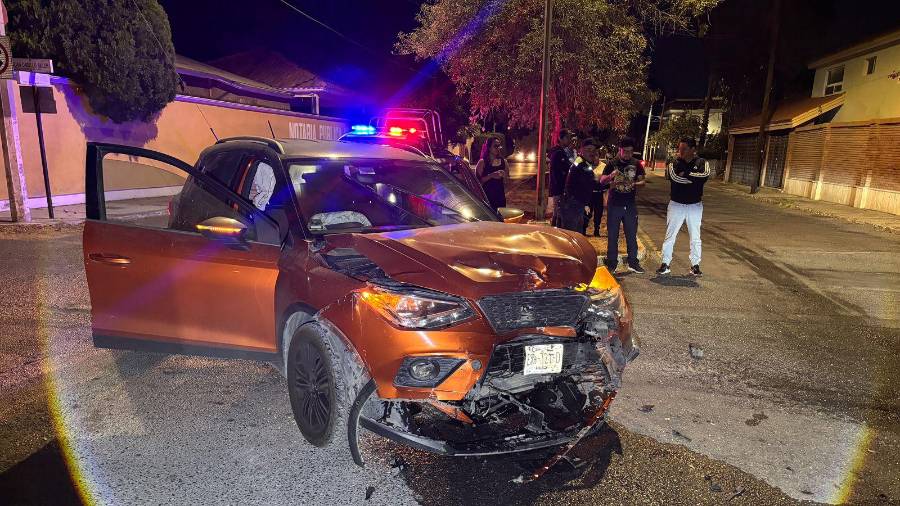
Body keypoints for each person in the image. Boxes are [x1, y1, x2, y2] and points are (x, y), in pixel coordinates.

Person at [657, 137, 710, 276]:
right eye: (679, 148)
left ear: (693, 149)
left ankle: (695, 265)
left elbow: (704, 177)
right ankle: (665, 263)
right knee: (670, 235)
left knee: (695, 236)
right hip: (676, 204)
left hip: (695, 205)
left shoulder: (702, 162)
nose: (680, 151)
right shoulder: (673, 163)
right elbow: (675, 178)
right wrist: (693, 178)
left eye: (684, 149)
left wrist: (686, 175)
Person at [599, 137, 646, 274]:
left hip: (630, 205)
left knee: (631, 234)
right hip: (614, 204)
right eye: (625, 151)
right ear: (620, 150)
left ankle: (633, 263)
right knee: (613, 235)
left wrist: (635, 184)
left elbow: (643, 182)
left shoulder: (636, 163)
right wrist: (610, 177)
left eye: (630, 152)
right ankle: (612, 263)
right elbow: (602, 180)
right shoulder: (612, 163)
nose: (628, 154)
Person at [560, 138, 598, 233]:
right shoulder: (582, 165)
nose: (591, 153)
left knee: (575, 235)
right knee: (572, 236)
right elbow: (591, 184)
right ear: (581, 150)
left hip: (574, 204)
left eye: (593, 150)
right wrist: (609, 184)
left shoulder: (580, 161)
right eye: (588, 149)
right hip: (573, 205)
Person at [547, 130, 575, 226]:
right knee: (558, 212)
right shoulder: (557, 153)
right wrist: (560, 189)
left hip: (560, 188)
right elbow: (557, 173)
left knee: (558, 211)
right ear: (560, 138)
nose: (569, 140)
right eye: (567, 138)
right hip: (558, 188)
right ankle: (555, 231)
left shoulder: (562, 152)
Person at [475, 137, 507, 212]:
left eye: (499, 146)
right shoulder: (482, 162)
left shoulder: (504, 162)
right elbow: (477, 183)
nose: (498, 148)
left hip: (500, 197)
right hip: (486, 198)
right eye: (495, 146)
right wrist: (491, 175)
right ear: (489, 147)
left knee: (500, 220)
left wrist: (504, 175)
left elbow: (506, 182)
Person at [584, 146, 607, 236]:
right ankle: (584, 229)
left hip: (599, 193)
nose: (595, 157)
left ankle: (596, 230)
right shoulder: (587, 165)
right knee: (587, 213)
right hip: (588, 193)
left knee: (598, 213)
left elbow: (605, 180)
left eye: (596, 155)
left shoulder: (604, 166)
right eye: (593, 155)